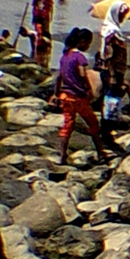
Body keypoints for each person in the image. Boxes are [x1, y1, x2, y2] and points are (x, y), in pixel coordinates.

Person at [50, 28, 110, 165]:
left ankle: (62, 155)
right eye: (88, 42)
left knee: (68, 125)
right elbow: (83, 74)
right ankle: (100, 152)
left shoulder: (65, 56)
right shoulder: (79, 57)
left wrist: (56, 93)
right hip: (79, 97)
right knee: (93, 123)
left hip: (66, 96)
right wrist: (89, 89)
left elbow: (59, 77)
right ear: (82, 42)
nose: (88, 46)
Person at [99, 1, 130, 113]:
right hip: (113, 70)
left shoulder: (110, 29)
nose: (123, 17)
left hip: (116, 69)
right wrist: (112, 73)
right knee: (112, 96)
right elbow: (109, 54)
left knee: (113, 96)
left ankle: (110, 119)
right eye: (122, 15)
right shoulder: (112, 31)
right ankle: (109, 122)